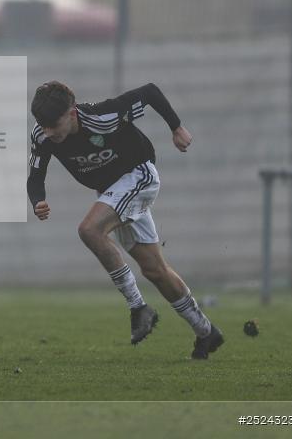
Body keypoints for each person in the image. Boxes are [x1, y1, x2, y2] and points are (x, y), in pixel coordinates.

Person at [27, 80, 224, 359]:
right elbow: (35, 178)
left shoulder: (104, 116)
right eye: (43, 125)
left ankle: (138, 307)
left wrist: (176, 127)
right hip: (113, 191)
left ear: (71, 113)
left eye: (53, 125)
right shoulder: (43, 135)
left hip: (139, 176)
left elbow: (151, 91)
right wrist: (38, 201)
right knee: (154, 269)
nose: (48, 132)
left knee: (89, 230)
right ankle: (206, 332)